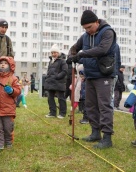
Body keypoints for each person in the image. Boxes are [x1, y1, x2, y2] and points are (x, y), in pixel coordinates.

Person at [67, 10, 116, 149]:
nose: (88, 31)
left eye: (89, 27)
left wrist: (81, 55)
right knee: (90, 105)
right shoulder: (85, 36)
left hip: (104, 75)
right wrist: (71, 56)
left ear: (97, 22)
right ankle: (95, 132)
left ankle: (107, 138)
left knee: (104, 106)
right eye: (85, 28)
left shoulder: (107, 32)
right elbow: (75, 48)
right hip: (89, 75)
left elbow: (102, 50)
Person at [44, 44, 68, 119]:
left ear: (58, 53)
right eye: (52, 53)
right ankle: (52, 112)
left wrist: (57, 77)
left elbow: (64, 71)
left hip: (59, 82)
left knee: (61, 98)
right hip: (50, 82)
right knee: (50, 98)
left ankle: (62, 113)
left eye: (55, 52)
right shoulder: (50, 61)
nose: (53, 54)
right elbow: (49, 71)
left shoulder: (63, 61)